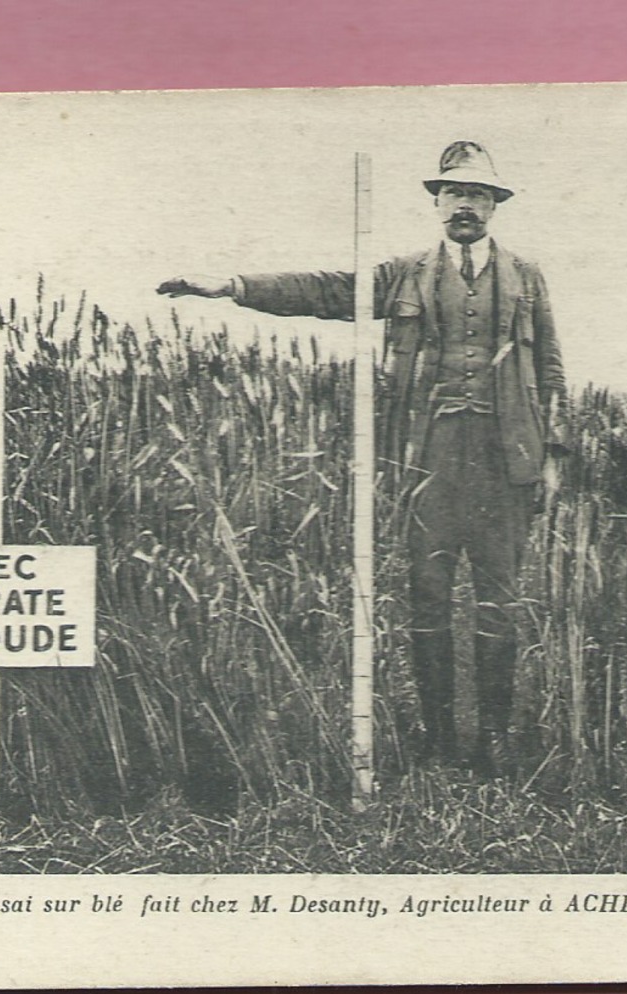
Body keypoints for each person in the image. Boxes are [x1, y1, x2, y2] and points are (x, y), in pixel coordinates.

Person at [158, 141, 566, 777]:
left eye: (478, 194)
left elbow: (551, 369)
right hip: (423, 461)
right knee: (427, 597)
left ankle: (489, 744)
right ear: (436, 202)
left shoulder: (528, 277)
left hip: (503, 464)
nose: (465, 204)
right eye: (454, 193)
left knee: (498, 600)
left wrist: (552, 457)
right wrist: (233, 287)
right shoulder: (404, 274)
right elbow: (325, 290)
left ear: (496, 205)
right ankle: (436, 744)